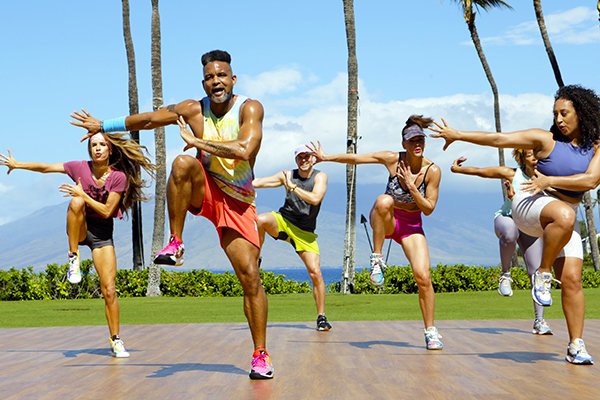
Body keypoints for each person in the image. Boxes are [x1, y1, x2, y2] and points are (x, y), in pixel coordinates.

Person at [70, 50, 274, 378]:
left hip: (237, 201)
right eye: (210, 77)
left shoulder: (250, 108)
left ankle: (261, 354)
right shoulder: (194, 109)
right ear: (204, 83)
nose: (216, 81)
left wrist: (198, 141)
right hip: (204, 189)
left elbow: (245, 149)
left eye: (221, 75)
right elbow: (150, 119)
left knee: (250, 277)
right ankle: (175, 241)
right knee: (181, 163)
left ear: (233, 80)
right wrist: (103, 125)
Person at [430, 84, 600, 365]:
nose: (558, 119)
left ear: (580, 113)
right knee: (566, 217)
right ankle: (542, 274)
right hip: (530, 203)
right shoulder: (544, 139)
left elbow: (591, 181)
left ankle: (575, 345)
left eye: (564, 113)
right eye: (555, 113)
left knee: (571, 280)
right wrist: (458, 135)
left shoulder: (595, 146)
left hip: (561, 215)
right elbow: (499, 138)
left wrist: (551, 180)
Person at [0, 132, 157, 358]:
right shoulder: (79, 167)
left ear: (110, 149)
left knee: (110, 291)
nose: (98, 148)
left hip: (102, 235)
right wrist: (18, 164)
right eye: (94, 145)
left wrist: (84, 193)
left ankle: (115, 340)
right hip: (80, 228)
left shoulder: (118, 177)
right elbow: (46, 168)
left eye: (103, 145)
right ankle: (73, 256)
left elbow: (106, 211)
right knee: (75, 202)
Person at [308, 115, 444, 350]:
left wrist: (412, 187)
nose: (417, 144)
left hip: (412, 225)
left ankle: (431, 332)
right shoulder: (392, 159)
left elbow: (429, 209)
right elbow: (357, 158)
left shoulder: (432, 171)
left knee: (423, 277)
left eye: (420, 139)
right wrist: (326, 157)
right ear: (404, 144)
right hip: (386, 220)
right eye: (412, 141)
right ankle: (377, 260)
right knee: (383, 200)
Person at [451, 150, 553, 335]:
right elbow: (482, 171)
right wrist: (458, 170)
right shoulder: (512, 174)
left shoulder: (546, 179)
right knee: (510, 232)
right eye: (531, 155)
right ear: (522, 158)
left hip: (529, 225)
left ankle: (540, 321)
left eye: (538, 155)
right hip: (508, 218)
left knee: (536, 273)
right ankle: (505, 274)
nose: (535, 159)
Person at [253, 145, 331, 331]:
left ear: (313, 159)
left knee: (316, 273)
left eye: (306, 157)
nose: (303, 160)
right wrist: (233, 179)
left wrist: (293, 187)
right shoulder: (287, 175)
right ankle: (256, 260)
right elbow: (259, 182)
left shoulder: (320, 176)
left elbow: (315, 199)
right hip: (283, 221)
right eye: (300, 157)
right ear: (296, 160)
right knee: (260, 220)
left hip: (305, 233)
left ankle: (321, 317)